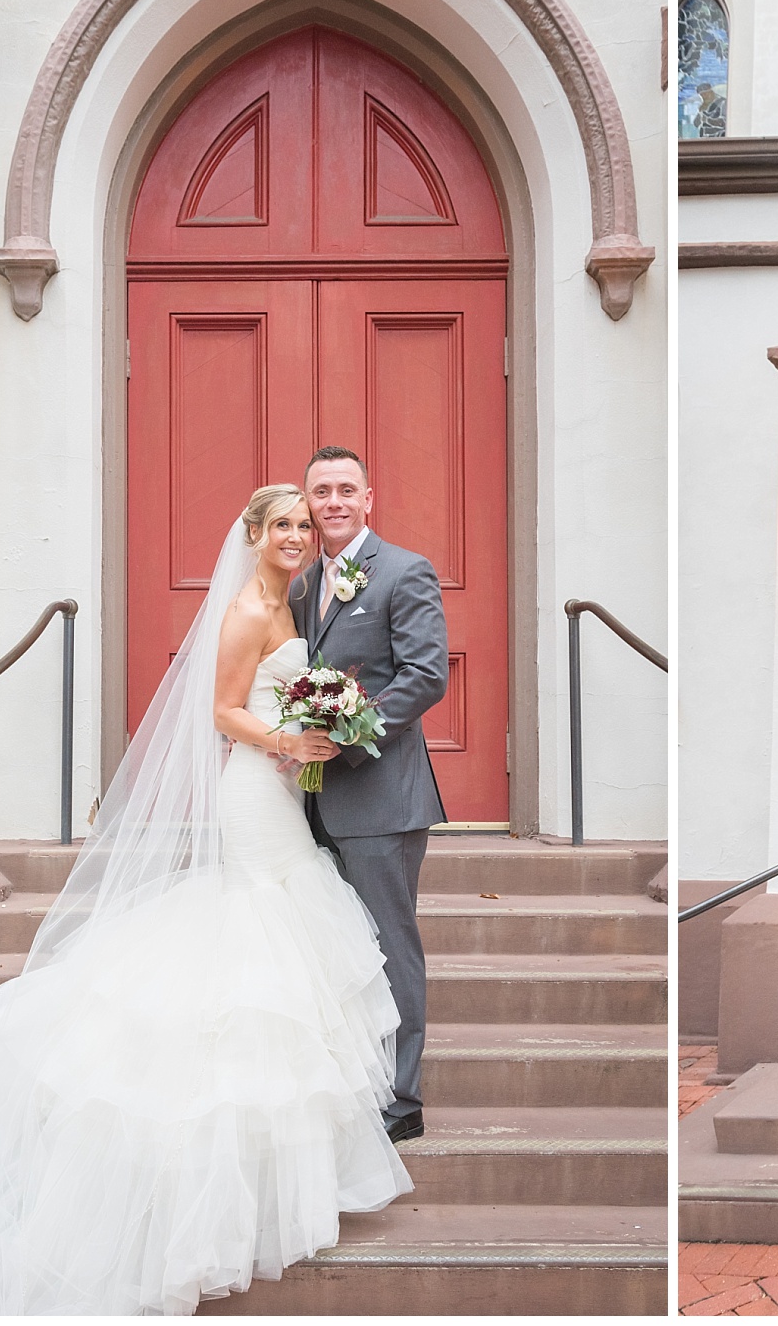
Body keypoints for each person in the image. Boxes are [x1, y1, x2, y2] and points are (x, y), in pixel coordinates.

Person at [0, 484, 412, 1315]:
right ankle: (220, 1153)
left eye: (306, 524)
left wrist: (312, 732)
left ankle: (281, 1151)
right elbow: (221, 709)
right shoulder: (245, 611)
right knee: (260, 930)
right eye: (284, 525)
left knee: (281, 928)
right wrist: (287, 739)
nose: (299, 535)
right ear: (254, 534)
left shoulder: (293, 598)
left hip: (282, 795)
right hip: (254, 796)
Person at [290, 445, 448, 1143]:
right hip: (312, 802)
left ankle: (402, 1098)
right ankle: (351, 1078)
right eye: (321, 490)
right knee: (336, 947)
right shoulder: (300, 586)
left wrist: (346, 739)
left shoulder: (404, 571)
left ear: (368, 497)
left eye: (345, 488)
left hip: (382, 796)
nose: (333, 501)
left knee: (390, 944)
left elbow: (423, 676)